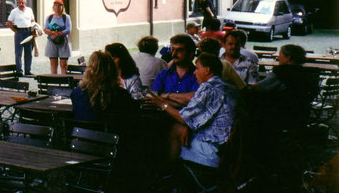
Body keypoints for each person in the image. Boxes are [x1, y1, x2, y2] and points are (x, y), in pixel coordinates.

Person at [148, 54, 238, 184]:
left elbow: (185, 118)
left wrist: (162, 105)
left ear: (207, 70)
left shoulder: (208, 88)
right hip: (229, 145)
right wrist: (187, 125)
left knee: (174, 129)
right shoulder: (229, 86)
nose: (194, 72)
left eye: (197, 68)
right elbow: (196, 117)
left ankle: (171, 175)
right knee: (180, 128)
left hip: (215, 149)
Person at [71, 50, 138, 122]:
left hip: (81, 132)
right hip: (111, 132)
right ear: (113, 70)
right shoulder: (121, 95)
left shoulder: (77, 93)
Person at [150, 34, 199, 107]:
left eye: (179, 50)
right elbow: (154, 98)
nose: (174, 53)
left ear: (191, 54)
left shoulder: (198, 76)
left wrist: (166, 96)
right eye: (172, 49)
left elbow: (195, 101)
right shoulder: (163, 75)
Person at [6, 0, 36, 77]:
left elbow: (32, 21)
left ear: (25, 3)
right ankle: (19, 71)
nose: (21, 4)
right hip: (19, 32)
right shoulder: (14, 12)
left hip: (29, 32)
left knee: (28, 52)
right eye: (19, 3)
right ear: (17, 3)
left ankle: (28, 71)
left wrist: (34, 30)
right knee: (18, 53)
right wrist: (15, 31)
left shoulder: (29, 10)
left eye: (23, 3)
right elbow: (8, 23)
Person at [44, 0, 72, 74]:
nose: (57, 7)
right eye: (56, 6)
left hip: (63, 42)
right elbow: (45, 29)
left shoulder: (66, 17)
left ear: (62, 7)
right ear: (53, 7)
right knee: (53, 64)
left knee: (64, 64)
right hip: (52, 42)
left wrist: (59, 34)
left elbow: (68, 29)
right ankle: (54, 80)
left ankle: (65, 80)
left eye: (59, 6)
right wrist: (52, 33)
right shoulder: (49, 18)